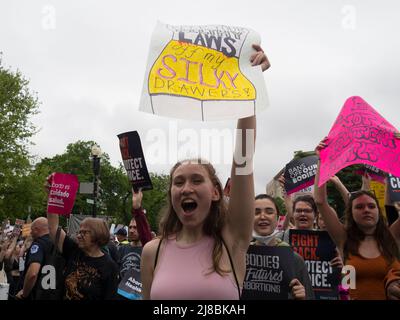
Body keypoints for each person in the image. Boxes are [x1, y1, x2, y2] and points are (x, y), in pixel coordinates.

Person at [140, 44, 269, 300]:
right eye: (178, 182)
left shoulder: (232, 241)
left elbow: (243, 160)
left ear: (216, 193)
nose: (186, 188)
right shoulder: (152, 252)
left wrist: (250, 86)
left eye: (197, 180)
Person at [314, 138, 400, 299]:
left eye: (371, 206)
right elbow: (320, 201)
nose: (366, 210)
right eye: (359, 207)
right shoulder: (344, 239)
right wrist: (322, 160)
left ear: (378, 211)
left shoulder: (391, 236)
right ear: (351, 213)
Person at [45, 174, 119, 300]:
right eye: (79, 232)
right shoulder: (73, 250)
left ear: (98, 235)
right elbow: (53, 228)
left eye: (84, 233)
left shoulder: (109, 266)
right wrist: (53, 196)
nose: (78, 236)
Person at [251, 194, 314, 299]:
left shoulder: (294, 259)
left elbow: (310, 296)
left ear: (277, 217)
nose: (262, 216)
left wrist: (302, 297)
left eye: (269, 212)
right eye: (256, 212)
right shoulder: (241, 258)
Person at [15, 217, 56, 300]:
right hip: (51, 293)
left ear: (37, 229)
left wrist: (24, 294)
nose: (31, 233)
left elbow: (33, 273)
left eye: (32, 230)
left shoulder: (38, 244)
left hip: (35, 293)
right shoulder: (56, 244)